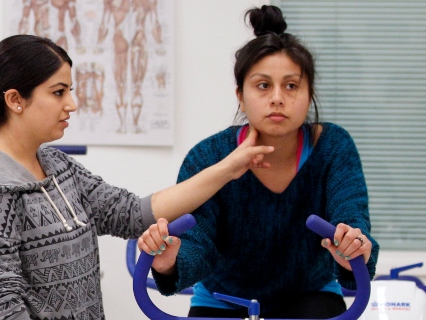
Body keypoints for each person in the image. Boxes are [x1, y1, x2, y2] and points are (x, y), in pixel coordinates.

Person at [0, 34, 275, 320]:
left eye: (70, 90)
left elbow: (131, 213)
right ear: (15, 100)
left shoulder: (58, 166)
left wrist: (229, 168)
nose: (72, 103)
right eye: (58, 92)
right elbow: (2, 309)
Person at [137, 6, 379, 318]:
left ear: (309, 94)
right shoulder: (207, 157)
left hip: (309, 292)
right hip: (223, 298)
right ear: (240, 94)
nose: (277, 98)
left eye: (291, 85)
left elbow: (351, 217)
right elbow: (198, 243)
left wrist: (353, 247)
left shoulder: (333, 146)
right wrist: (170, 260)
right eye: (263, 85)